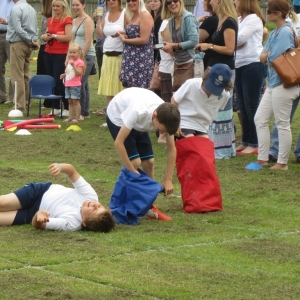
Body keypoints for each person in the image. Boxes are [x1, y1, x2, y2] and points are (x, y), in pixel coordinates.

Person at [106, 88, 180, 220]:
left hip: (139, 123)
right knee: (135, 163)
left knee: (149, 162)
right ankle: (116, 206)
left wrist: (168, 180)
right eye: (160, 130)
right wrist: (131, 170)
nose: (162, 133)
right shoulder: (138, 111)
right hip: (117, 116)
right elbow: (119, 143)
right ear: (156, 116)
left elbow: (171, 149)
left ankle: (149, 207)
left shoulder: (168, 118)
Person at [171, 64, 232, 213]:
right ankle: (194, 199)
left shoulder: (225, 95)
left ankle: (208, 199)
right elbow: (173, 101)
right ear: (205, 78)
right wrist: (174, 124)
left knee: (207, 160)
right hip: (184, 121)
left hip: (203, 126)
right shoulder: (191, 84)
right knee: (194, 155)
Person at [0, 163, 115, 233]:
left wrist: (38, 216)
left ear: (84, 222)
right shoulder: (90, 196)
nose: (95, 204)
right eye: (99, 206)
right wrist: (60, 167)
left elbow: (38, 224)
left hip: (32, 213)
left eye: (95, 210)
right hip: (38, 192)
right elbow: (71, 171)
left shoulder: (72, 224)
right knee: (2, 203)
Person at [255, 0, 299, 170]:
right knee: (260, 118)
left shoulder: (285, 32)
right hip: (273, 82)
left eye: (270, 11)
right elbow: (263, 55)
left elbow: (272, 58)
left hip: (284, 83)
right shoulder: (275, 33)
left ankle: (282, 163)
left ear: (278, 13)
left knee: (282, 122)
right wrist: (267, 56)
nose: (267, 14)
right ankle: (263, 157)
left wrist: (267, 56)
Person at [195, 0, 238, 159]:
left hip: (223, 70)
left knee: (222, 109)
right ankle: (217, 146)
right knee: (214, 108)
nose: (209, 2)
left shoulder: (229, 22)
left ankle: (223, 149)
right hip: (214, 67)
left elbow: (229, 49)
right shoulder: (221, 20)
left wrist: (209, 46)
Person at [234, 0, 266, 155]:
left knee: (251, 105)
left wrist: (232, 40)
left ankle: (254, 142)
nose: (234, 2)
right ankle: (246, 140)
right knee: (242, 105)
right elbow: (236, 39)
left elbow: (239, 39)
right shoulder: (240, 20)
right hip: (240, 64)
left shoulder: (253, 18)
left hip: (253, 64)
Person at [161, 0, 203, 89]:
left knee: (192, 99)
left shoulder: (188, 17)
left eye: (175, 0)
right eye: (169, 2)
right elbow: (176, 46)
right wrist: (170, 49)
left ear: (180, 2)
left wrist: (174, 45)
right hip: (178, 64)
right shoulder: (171, 20)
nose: (172, 3)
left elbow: (194, 41)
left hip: (192, 63)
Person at [6, 0, 39, 112]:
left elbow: (18, 29)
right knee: (25, 74)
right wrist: (33, 40)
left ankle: (19, 105)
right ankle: (26, 102)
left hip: (18, 43)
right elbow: (36, 27)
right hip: (29, 44)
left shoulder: (16, 9)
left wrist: (29, 40)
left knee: (17, 75)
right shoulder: (31, 8)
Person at [42, 0, 73, 116]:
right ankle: (55, 106)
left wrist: (54, 36)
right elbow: (45, 34)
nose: (55, 8)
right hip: (48, 52)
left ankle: (66, 106)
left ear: (63, 7)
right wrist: (45, 37)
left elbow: (68, 37)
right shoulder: (50, 20)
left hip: (61, 53)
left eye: (57, 6)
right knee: (51, 80)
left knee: (59, 80)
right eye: (53, 6)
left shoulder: (67, 19)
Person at [95, 0, 125, 117]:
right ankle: (110, 116)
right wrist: (98, 19)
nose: (111, 1)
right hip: (107, 54)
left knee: (119, 87)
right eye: (109, 0)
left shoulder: (125, 14)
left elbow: (130, 30)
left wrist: (121, 33)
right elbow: (100, 35)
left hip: (120, 54)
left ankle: (120, 115)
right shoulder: (106, 15)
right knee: (109, 87)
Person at [118, 0, 154, 89]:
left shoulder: (144, 15)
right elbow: (135, 34)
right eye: (128, 1)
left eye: (134, 0)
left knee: (140, 91)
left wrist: (125, 41)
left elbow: (144, 40)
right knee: (130, 91)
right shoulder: (133, 16)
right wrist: (125, 35)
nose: (130, 3)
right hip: (130, 58)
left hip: (140, 59)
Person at [71, 0, 96, 120]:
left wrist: (81, 57)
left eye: (77, 5)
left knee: (80, 82)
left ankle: (82, 112)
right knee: (83, 84)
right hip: (75, 54)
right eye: (73, 5)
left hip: (87, 55)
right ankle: (84, 111)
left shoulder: (88, 20)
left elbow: (88, 41)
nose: (75, 7)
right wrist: (68, 56)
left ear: (84, 5)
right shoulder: (74, 20)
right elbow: (72, 39)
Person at [60, 43, 85, 122]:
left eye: (74, 52)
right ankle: (70, 117)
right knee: (70, 101)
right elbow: (69, 72)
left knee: (76, 101)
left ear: (79, 53)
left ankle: (77, 117)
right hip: (68, 84)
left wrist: (74, 65)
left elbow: (78, 73)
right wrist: (64, 75)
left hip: (75, 85)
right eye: (70, 52)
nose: (72, 54)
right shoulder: (69, 61)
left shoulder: (79, 62)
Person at [38, 0, 52, 109]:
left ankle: (49, 100)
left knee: (48, 73)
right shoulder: (44, 15)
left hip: (48, 46)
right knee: (42, 72)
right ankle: (47, 98)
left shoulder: (50, 17)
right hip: (42, 45)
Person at [197, 0, 218, 70]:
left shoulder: (211, 20)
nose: (202, 2)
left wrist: (196, 21)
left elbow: (195, 37)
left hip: (209, 60)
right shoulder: (220, 18)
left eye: (205, 0)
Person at [0, 0, 14, 105]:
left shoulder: (19, 2)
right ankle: (1, 96)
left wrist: (6, 21)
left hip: (11, 35)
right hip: (0, 34)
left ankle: (13, 97)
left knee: (14, 66)